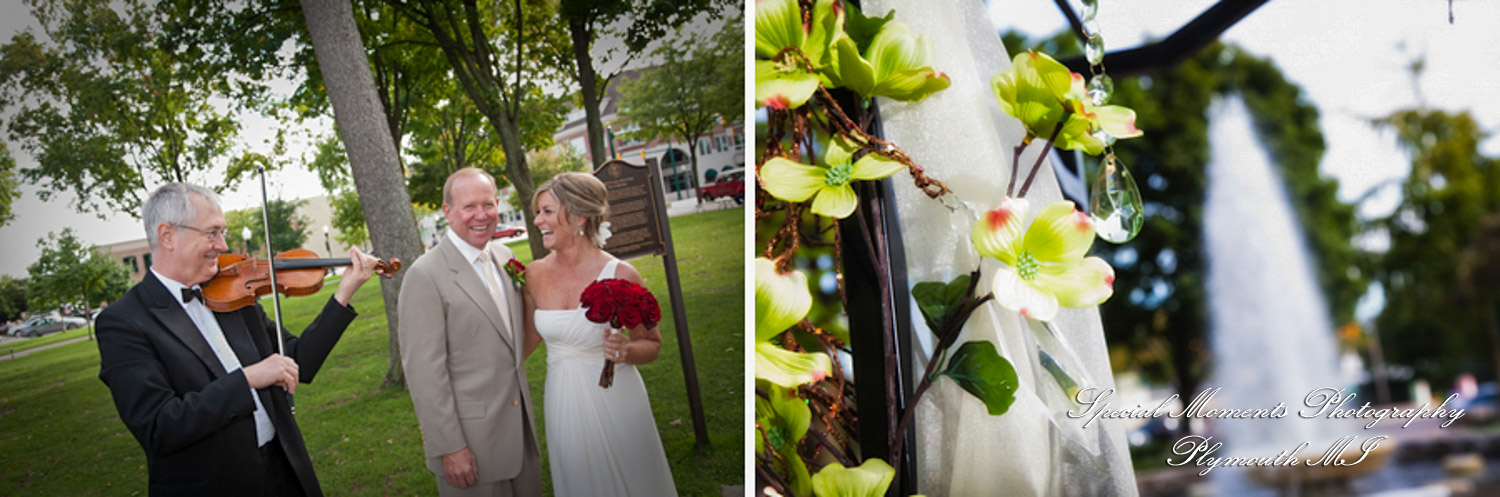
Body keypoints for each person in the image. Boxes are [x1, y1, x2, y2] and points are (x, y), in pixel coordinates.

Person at [96, 182, 382, 497]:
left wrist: (344, 293)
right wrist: (246, 379)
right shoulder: (123, 322)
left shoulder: (233, 294)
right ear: (167, 236)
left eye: (223, 233)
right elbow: (160, 425)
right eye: (211, 233)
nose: (222, 245)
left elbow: (299, 361)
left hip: (282, 471)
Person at [522, 172, 677, 496]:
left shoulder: (621, 274)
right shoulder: (533, 275)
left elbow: (651, 343)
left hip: (615, 397)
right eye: (538, 212)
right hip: (562, 399)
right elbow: (524, 344)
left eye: (547, 211)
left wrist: (627, 351)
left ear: (579, 216)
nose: (537, 221)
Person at [398, 168, 542, 496]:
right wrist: (450, 448)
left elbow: (510, 341)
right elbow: (424, 374)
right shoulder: (425, 275)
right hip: (471, 448)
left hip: (520, 436)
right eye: (469, 207)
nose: (481, 215)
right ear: (447, 212)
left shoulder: (505, 257)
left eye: (488, 204)